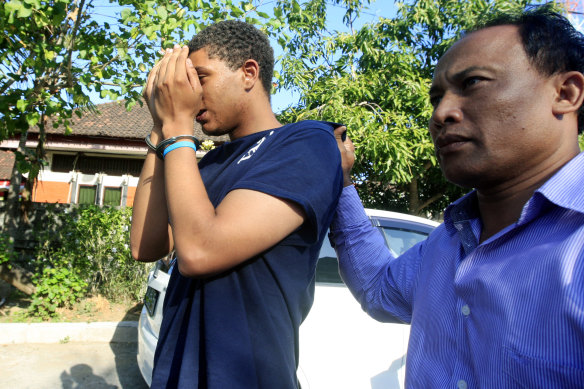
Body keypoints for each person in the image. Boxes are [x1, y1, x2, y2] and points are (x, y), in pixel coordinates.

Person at [330, 5, 584, 388]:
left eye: (474, 84)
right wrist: (343, 182)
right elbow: (379, 289)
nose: (441, 113)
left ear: (566, 93)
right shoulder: (445, 243)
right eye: (437, 97)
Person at [130, 20, 343, 388]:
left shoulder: (307, 142)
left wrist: (178, 124)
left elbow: (199, 250)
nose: (192, 95)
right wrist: (160, 126)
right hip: (178, 372)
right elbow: (145, 245)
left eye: (202, 78)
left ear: (248, 73)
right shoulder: (207, 163)